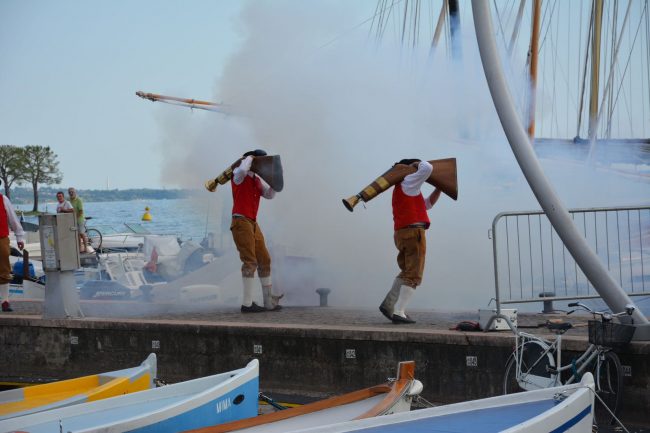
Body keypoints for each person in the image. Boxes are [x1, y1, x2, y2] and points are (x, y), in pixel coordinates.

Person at [379, 159, 441, 324]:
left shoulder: (404, 188)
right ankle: (399, 311)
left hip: (402, 232)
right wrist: (416, 163)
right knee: (414, 275)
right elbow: (427, 167)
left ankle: (389, 305)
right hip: (414, 232)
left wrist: (439, 188)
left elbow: (426, 205)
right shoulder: (408, 181)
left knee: (406, 271)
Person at [230, 149, 283, 313]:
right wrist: (250, 158)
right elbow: (242, 170)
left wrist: (274, 185)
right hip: (240, 220)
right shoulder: (239, 175)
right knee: (250, 261)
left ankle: (268, 301)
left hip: (252, 222)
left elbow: (269, 195)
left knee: (264, 259)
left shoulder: (257, 180)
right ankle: (247, 304)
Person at [0, 181, 25, 312]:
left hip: (1, 238)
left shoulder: (3, 199)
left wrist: (19, 237)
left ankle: (4, 301)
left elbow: (13, 219)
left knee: (4, 269)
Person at [67, 187, 89, 253]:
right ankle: (79, 248)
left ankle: (85, 248)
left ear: (75, 192)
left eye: (72, 192)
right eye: (69, 192)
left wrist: (75, 217)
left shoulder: (79, 200)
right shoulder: (69, 200)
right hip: (73, 220)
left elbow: (81, 211)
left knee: (82, 233)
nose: (71, 193)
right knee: (77, 235)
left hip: (80, 219)